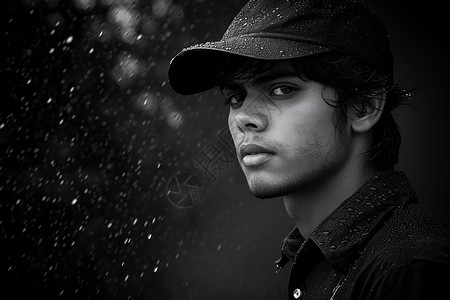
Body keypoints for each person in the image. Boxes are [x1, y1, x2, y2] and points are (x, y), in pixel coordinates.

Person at [167, 0, 450, 299]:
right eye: (236, 97)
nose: (244, 118)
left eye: (282, 90)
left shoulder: (408, 270)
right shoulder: (323, 260)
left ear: (363, 106)